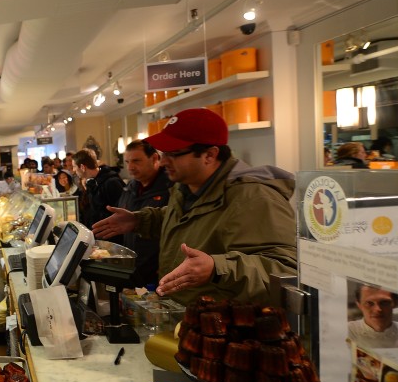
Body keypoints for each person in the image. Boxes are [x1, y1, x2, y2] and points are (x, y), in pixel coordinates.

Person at [92, 108, 297, 305]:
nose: (162, 162)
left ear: (209, 155)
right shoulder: (186, 187)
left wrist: (216, 268)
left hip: (224, 328)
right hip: (186, 317)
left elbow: (285, 270)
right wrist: (140, 220)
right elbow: (187, 220)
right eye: (163, 154)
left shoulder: (255, 197)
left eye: (173, 154)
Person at [117, 140, 172, 288]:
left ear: (154, 159)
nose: (130, 167)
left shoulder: (171, 188)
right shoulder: (129, 188)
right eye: (127, 162)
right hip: (133, 269)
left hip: (159, 274)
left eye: (136, 161)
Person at [74, 147, 124, 234]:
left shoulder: (111, 182)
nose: (74, 170)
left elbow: (121, 212)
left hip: (111, 237)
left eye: (74, 166)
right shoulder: (90, 182)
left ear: (82, 167)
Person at [347, 283, 398, 348]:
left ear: (395, 303)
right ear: (359, 305)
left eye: (384, 302)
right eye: (369, 303)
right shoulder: (348, 331)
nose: (378, 309)